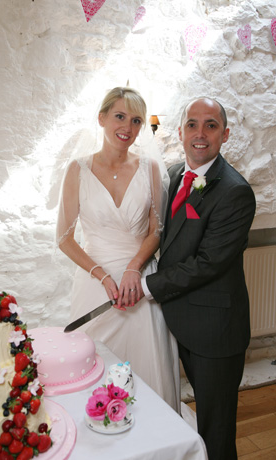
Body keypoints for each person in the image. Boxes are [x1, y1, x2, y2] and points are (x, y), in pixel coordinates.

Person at [141, 97, 256, 460]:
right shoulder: (174, 175)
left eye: (210, 125)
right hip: (180, 322)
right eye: (192, 124)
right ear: (180, 131)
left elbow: (208, 263)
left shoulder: (235, 191)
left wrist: (147, 286)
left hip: (216, 332)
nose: (200, 133)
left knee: (216, 431)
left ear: (225, 134)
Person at [56, 87, 180, 412]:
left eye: (136, 120)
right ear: (102, 118)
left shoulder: (150, 169)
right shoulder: (77, 170)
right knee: (96, 370)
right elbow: (65, 238)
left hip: (139, 282)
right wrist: (102, 277)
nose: (127, 126)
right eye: (120, 116)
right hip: (95, 282)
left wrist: (133, 269)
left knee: (147, 369)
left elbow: (156, 230)